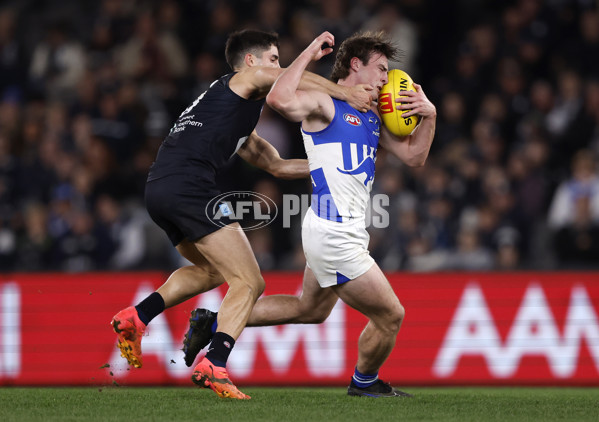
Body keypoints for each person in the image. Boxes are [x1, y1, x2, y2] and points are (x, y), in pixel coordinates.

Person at [110, 29, 371, 400]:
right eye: (274, 59)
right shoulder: (242, 79)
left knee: (213, 271)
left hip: (160, 189)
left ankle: (136, 317)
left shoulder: (230, 111)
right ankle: (215, 363)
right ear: (251, 62)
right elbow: (283, 80)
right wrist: (344, 90)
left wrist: (331, 166)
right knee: (250, 282)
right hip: (190, 187)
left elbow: (277, 166)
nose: (279, 67)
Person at [184, 31, 437, 397]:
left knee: (309, 309)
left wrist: (429, 114)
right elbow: (278, 97)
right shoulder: (326, 102)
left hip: (339, 228)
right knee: (390, 314)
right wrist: (307, 54)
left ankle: (213, 324)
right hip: (334, 232)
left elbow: (416, 157)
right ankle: (364, 384)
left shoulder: (372, 115)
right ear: (355, 65)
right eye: (380, 68)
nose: (386, 77)